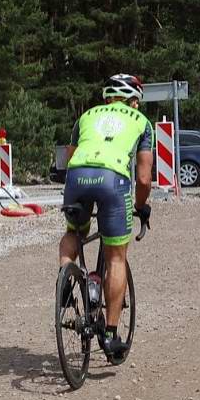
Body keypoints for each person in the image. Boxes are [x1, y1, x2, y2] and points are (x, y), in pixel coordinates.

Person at [60, 74, 153, 361]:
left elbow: (72, 158)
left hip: (77, 179)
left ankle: (65, 275)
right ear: (134, 100)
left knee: (74, 233)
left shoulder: (85, 116)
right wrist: (140, 205)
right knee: (116, 257)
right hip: (113, 182)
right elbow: (144, 176)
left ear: (107, 97)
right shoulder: (141, 122)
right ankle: (111, 334)